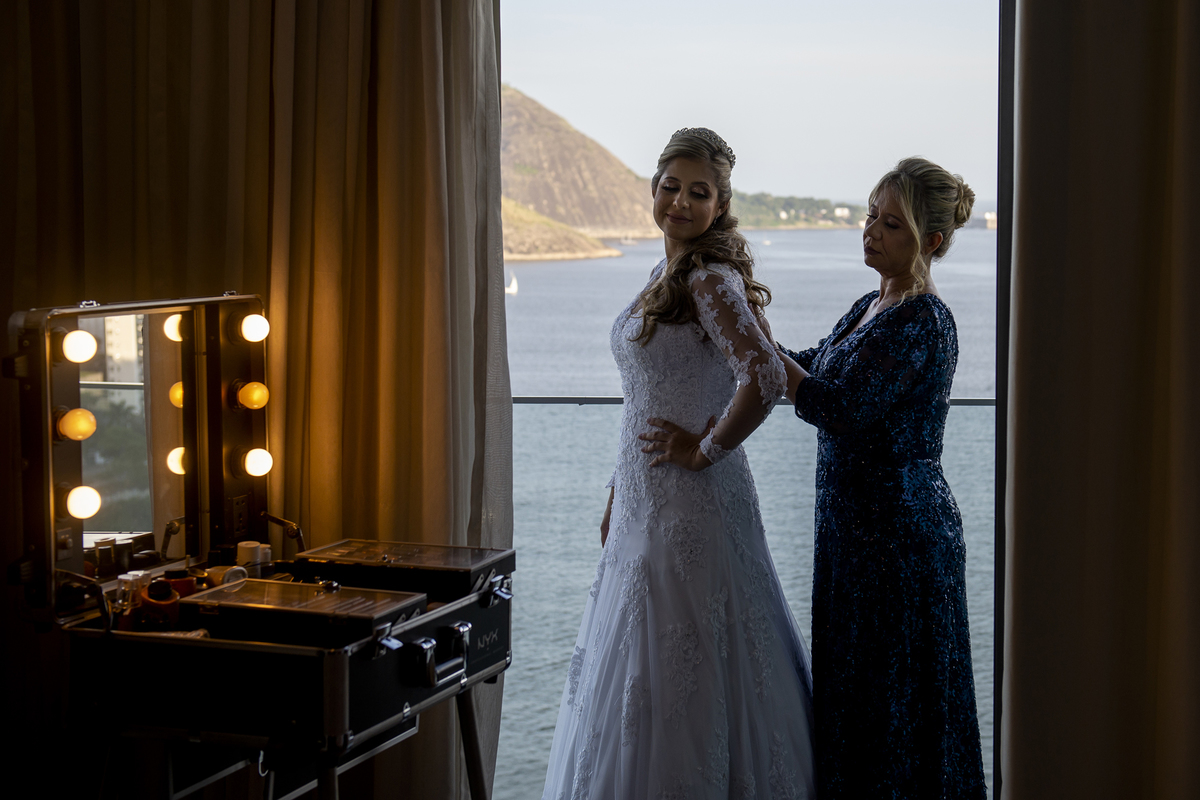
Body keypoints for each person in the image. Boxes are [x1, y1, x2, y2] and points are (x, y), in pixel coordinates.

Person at [540, 128, 816, 800]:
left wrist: (703, 449)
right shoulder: (664, 274)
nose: (680, 203)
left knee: (688, 654)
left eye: (699, 193)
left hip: (692, 505)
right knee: (643, 659)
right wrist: (618, 491)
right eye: (671, 187)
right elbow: (646, 399)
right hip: (645, 501)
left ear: (720, 206)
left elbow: (764, 377)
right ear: (654, 187)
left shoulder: (709, 279)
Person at [774, 157, 988, 798]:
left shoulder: (924, 321)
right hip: (853, 535)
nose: (870, 230)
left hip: (900, 541)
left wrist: (757, 348)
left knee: (893, 705)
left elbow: (839, 406)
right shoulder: (870, 304)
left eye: (891, 224)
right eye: (871, 215)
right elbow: (814, 365)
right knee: (857, 695)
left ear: (933, 241)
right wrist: (751, 338)